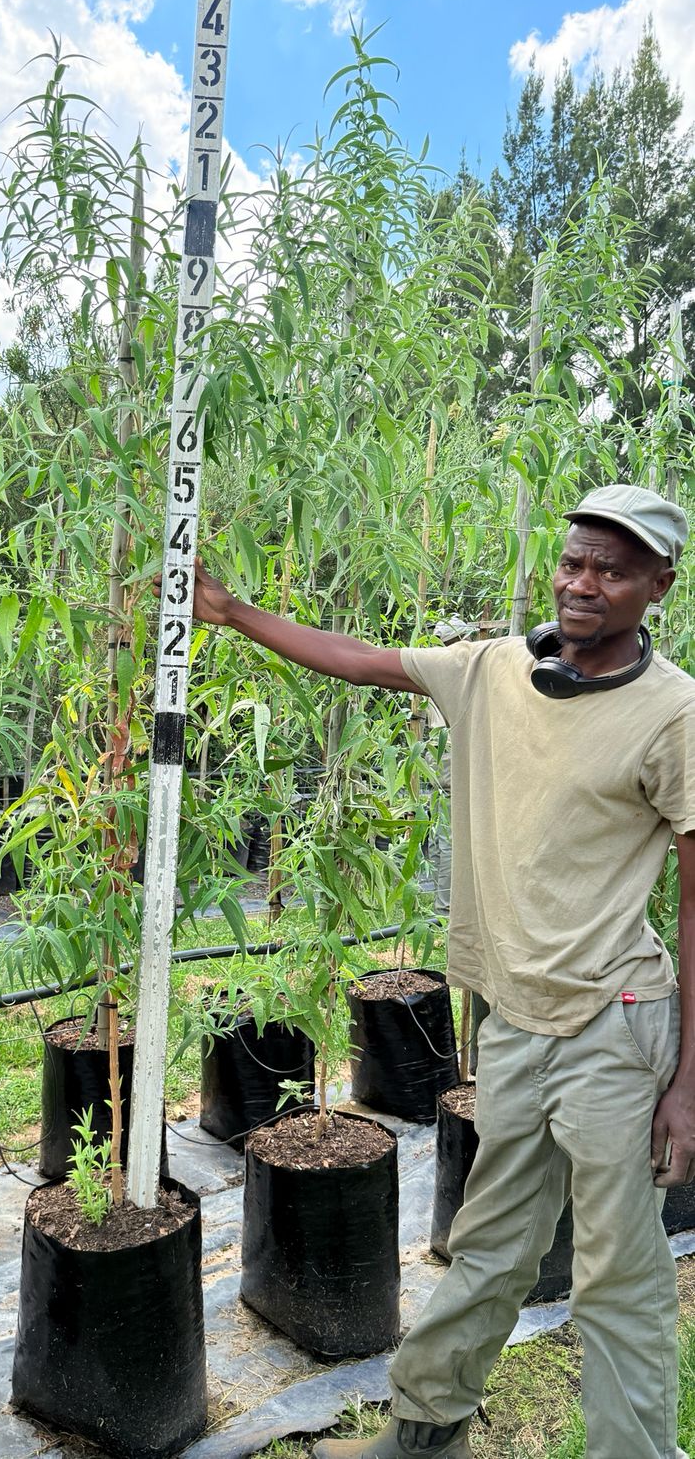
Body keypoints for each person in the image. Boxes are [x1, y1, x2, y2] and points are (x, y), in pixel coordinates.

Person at [185, 485, 695, 1459]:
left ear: (657, 587)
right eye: (575, 561)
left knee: (616, 1272)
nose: (585, 583)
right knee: (490, 1245)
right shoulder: (494, 671)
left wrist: (689, 1086)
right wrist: (232, 613)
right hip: (513, 1025)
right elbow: (362, 661)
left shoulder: (674, 716)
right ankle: (426, 1429)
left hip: (615, 1026)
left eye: (614, 570)